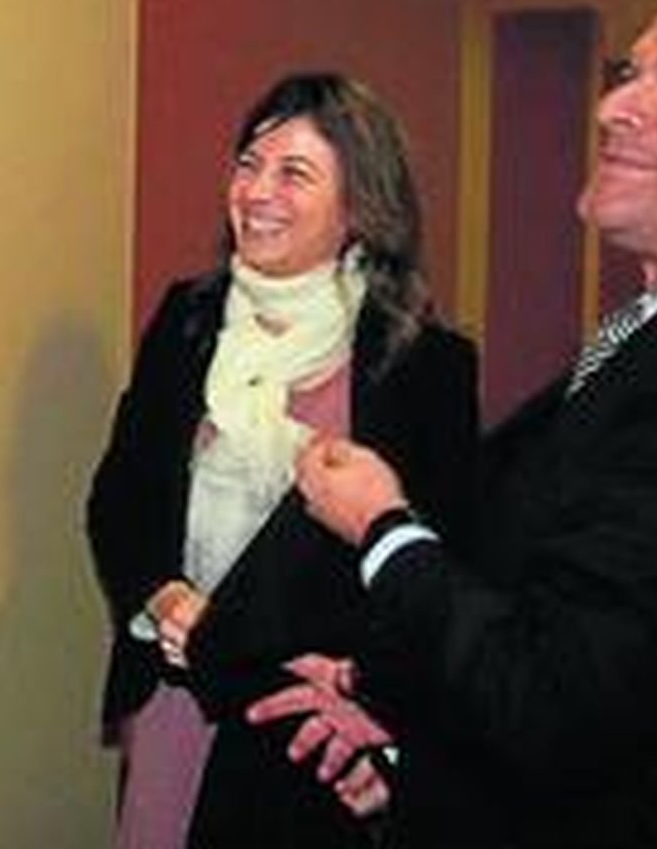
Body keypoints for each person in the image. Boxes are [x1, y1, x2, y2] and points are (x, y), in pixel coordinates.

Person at [274, 0, 657, 848]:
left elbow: (558, 703)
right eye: (631, 75)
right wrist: (407, 728)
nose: (615, 109)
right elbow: (596, 657)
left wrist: (382, 527)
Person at [86, 71, 479, 848]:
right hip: (177, 702)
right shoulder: (188, 322)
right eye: (248, 163)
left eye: (294, 172)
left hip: (309, 727)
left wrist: (377, 704)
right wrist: (164, 598)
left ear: (361, 206)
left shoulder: (425, 364)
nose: (257, 191)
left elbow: (448, 561)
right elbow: (121, 496)